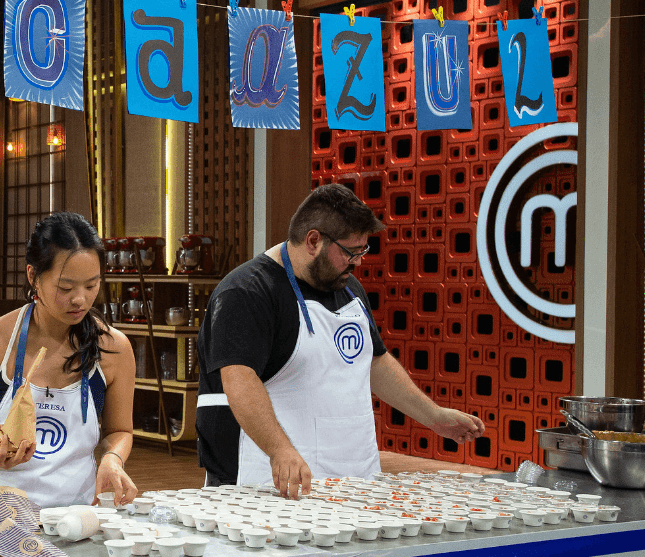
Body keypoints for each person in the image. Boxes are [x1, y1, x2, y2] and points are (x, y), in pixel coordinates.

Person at [196, 184, 485, 498]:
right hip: (269, 481)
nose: (357, 262)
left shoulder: (348, 287)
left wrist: (434, 416)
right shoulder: (247, 291)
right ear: (314, 241)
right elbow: (238, 379)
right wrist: (279, 450)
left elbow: (372, 362)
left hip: (354, 476)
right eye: (350, 252)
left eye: (363, 251)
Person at [0, 212, 138, 509]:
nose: (80, 300)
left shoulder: (114, 348)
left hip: (75, 514)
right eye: (66, 288)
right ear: (33, 276)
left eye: (92, 285)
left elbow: (119, 430)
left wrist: (113, 458)